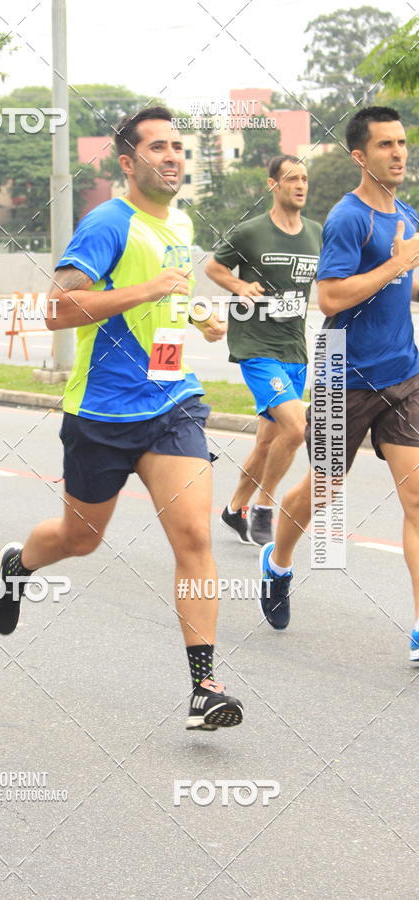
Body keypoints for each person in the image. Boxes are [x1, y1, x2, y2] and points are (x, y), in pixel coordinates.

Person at [0, 106, 243, 731]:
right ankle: (18, 566)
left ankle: (204, 686)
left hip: (171, 401)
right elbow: (57, 310)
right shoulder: (106, 223)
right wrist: (146, 291)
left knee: (194, 538)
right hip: (101, 412)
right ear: (128, 162)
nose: (174, 156)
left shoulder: (179, 221)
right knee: (82, 540)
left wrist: (195, 318)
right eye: (159, 147)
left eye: (179, 146)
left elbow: (166, 302)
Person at [258, 107, 419, 659]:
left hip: (403, 373)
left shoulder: (409, 216)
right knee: (323, 491)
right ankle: (278, 563)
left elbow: (406, 287)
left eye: (401, 143)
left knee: (417, 498)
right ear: (360, 155)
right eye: (385, 146)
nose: (398, 153)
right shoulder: (348, 218)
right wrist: (397, 267)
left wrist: (407, 275)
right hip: (341, 372)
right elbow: (328, 298)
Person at [205, 156, 322, 546]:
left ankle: (234, 508)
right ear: (273, 185)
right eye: (292, 178)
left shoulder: (316, 234)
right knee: (297, 427)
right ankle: (263, 507)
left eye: (304, 178)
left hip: (294, 349)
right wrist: (239, 287)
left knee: (267, 443)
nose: (300, 185)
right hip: (256, 348)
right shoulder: (251, 233)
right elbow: (214, 268)